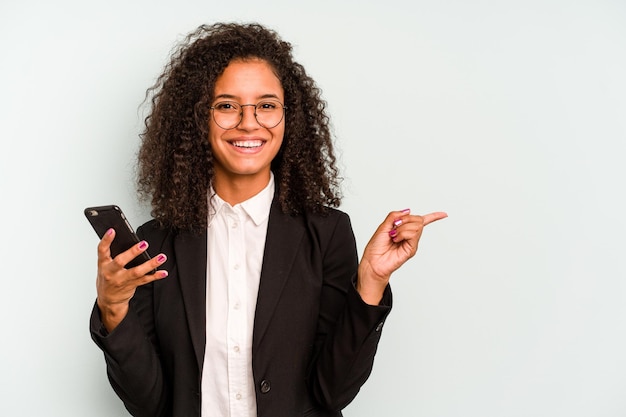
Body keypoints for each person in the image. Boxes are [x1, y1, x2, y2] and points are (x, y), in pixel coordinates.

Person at [90, 22, 447, 417]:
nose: (248, 122)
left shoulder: (327, 234)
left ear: (287, 117)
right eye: (226, 105)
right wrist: (114, 309)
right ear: (197, 119)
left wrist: (372, 283)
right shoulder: (154, 243)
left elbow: (332, 392)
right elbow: (149, 403)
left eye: (266, 105)